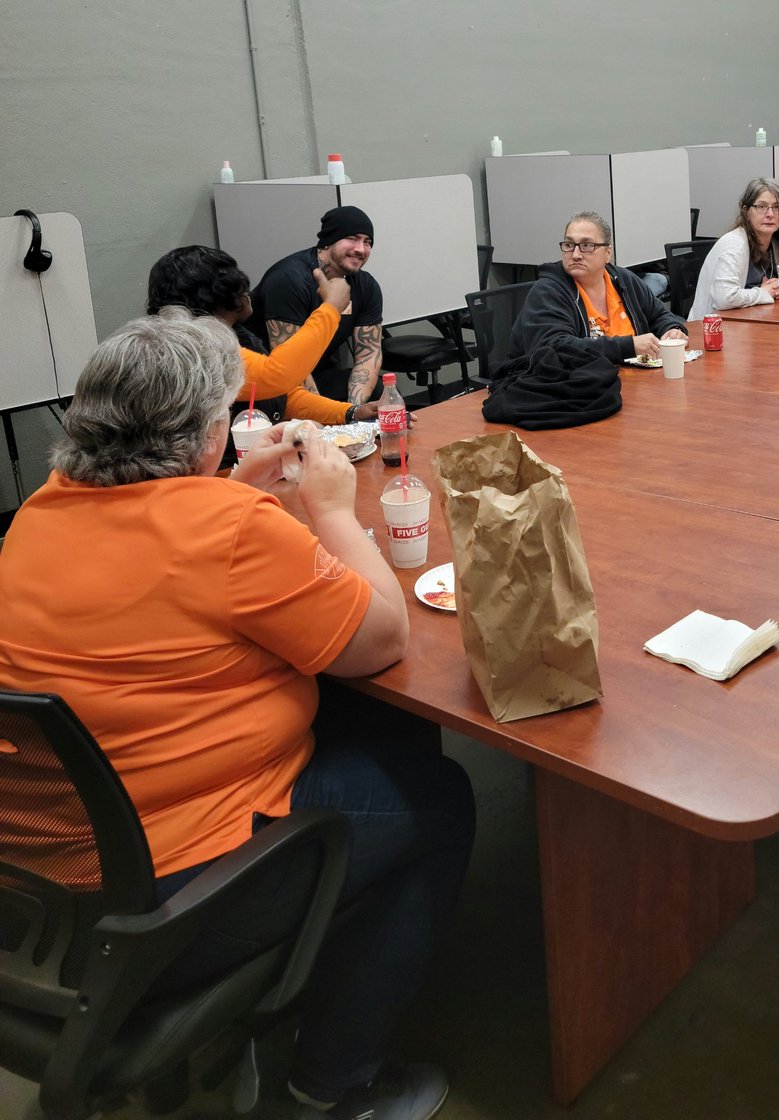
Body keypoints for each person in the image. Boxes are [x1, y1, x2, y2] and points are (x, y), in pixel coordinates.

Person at [0, 311, 474, 1120]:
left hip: (43, 889)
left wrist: (217, 488)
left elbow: (151, 553)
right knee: (439, 799)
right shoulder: (228, 530)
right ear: (207, 429)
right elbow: (382, 640)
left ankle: (308, 982)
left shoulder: (38, 514)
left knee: (370, 728)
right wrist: (330, 508)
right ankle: (334, 1086)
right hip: (170, 902)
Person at [147, 245, 379, 443]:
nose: (247, 288)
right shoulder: (193, 347)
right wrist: (331, 307)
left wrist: (351, 412)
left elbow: (282, 395)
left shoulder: (239, 336)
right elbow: (276, 375)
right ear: (218, 292)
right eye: (235, 278)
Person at [509, 211, 687, 363]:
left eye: (587, 245)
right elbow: (555, 349)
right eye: (569, 245)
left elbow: (659, 316)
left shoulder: (623, 279)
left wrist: (672, 330)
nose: (576, 254)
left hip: (627, 383)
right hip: (570, 390)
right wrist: (629, 346)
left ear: (607, 253)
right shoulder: (548, 291)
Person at [251, 204, 384, 404]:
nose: (361, 249)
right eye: (352, 239)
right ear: (327, 242)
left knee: (380, 392)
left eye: (367, 242)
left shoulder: (365, 286)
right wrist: (322, 421)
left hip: (316, 372)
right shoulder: (289, 280)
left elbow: (369, 354)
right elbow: (290, 365)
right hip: (265, 382)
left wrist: (353, 411)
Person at [688, 177, 779, 319]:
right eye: (761, 206)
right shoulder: (734, 246)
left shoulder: (778, 242)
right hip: (712, 330)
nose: (770, 214)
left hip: (753, 321)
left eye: (776, 207)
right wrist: (764, 292)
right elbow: (725, 297)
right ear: (746, 211)